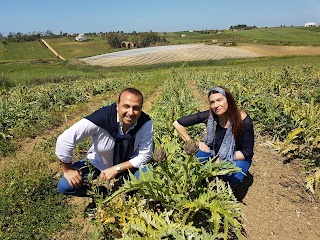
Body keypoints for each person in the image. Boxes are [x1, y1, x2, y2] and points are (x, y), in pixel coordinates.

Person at [56, 88, 154, 201]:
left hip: (128, 165)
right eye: (126, 106)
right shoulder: (102, 118)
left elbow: (145, 155)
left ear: (141, 109)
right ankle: (101, 193)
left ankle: (128, 195)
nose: (131, 113)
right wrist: (68, 169)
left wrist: (116, 169)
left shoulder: (145, 123)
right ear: (117, 105)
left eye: (136, 108)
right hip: (98, 163)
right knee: (65, 186)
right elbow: (65, 140)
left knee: (147, 175)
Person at [172, 86, 254, 188]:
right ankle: (201, 182)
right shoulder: (210, 116)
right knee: (195, 159)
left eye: (219, 100)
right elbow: (177, 124)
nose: (216, 105)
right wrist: (192, 142)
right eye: (212, 102)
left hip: (237, 157)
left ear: (228, 100)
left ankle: (227, 188)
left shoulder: (244, 121)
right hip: (213, 152)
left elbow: (247, 152)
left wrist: (223, 158)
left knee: (235, 173)